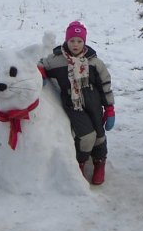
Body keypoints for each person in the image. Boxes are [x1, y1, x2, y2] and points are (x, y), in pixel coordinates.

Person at [39, 21, 116, 185]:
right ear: (66, 40)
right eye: (72, 40)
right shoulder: (58, 60)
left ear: (84, 42)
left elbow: (105, 85)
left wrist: (109, 109)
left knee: (99, 136)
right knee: (87, 136)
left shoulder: (94, 62)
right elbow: (41, 64)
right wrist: (41, 74)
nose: (75, 44)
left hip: (94, 104)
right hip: (74, 105)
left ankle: (99, 163)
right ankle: (79, 164)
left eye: (79, 41)